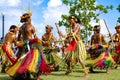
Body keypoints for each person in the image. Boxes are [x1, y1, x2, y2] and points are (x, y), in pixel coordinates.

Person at [6, 13, 50, 80]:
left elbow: (18, 39)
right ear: (28, 19)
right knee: (38, 60)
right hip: (32, 45)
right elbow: (35, 37)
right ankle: (37, 77)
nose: (31, 19)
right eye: (30, 18)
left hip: (24, 45)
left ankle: (25, 75)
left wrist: (20, 44)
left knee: (24, 60)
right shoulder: (31, 26)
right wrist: (43, 42)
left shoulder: (21, 28)